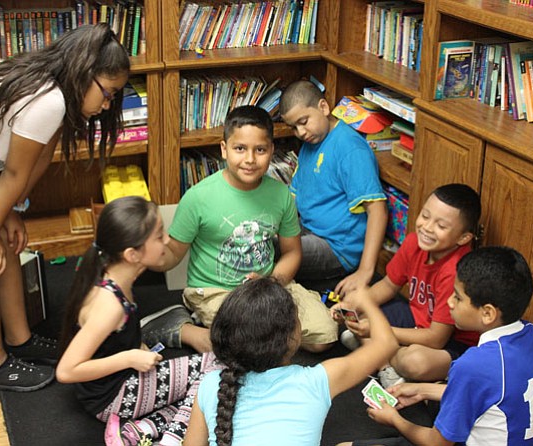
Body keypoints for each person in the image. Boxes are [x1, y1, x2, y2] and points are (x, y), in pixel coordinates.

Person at [0, 23, 130, 392]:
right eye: (108, 94)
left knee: (6, 241)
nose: (107, 105)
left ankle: (20, 339)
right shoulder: (48, 99)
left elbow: (34, 165)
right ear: (85, 74)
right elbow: (15, 172)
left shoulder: (54, 95)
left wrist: (10, 216)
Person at [148, 105, 338, 354]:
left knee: (324, 335)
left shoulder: (281, 194)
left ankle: (258, 337)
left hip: (268, 287)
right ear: (224, 150)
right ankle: (185, 329)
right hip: (216, 290)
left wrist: (271, 283)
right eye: (240, 149)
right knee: (248, 338)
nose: (250, 159)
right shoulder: (198, 198)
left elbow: (292, 253)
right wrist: (144, 253)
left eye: (260, 150)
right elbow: (172, 254)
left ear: (271, 150)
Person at [347, 246, 533, 446]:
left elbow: (437, 443)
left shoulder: (472, 365)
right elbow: (492, 391)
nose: (449, 302)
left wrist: (394, 419)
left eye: (457, 297)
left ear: (488, 313)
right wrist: (422, 390)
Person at [56, 196, 221, 446]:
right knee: (217, 367)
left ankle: (139, 431)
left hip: (110, 387)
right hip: (113, 396)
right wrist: (129, 357)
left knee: (200, 389)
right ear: (132, 254)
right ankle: (174, 439)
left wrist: (134, 345)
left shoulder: (111, 272)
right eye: (158, 235)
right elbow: (66, 371)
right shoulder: (109, 306)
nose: (166, 240)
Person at [183, 277, 398, 446]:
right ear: (293, 338)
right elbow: (386, 344)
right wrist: (366, 300)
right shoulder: (318, 380)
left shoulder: (212, 385)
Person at [335, 184, 482, 387]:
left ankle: (379, 356)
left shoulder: (455, 271)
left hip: (450, 342)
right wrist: (352, 305)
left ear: (463, 238)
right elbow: (387, 286)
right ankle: (384, 363)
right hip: (416, 319)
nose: (427, 227)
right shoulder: (414, 242)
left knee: (415, 362)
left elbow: (436, 338)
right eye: (425, 215)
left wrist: (377, 331)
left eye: (441, 226)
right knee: (359, 311)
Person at [279, 79, 388, 293]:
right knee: (256, 234)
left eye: (304, 121)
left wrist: (365, 271)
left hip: (336, 247)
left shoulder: (350, 148)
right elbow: (294, 197)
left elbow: (378, 210)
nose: (300, 132)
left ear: (323, 107)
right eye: (294, 127)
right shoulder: (310, 144)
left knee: (271, 251)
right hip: (308, 230)